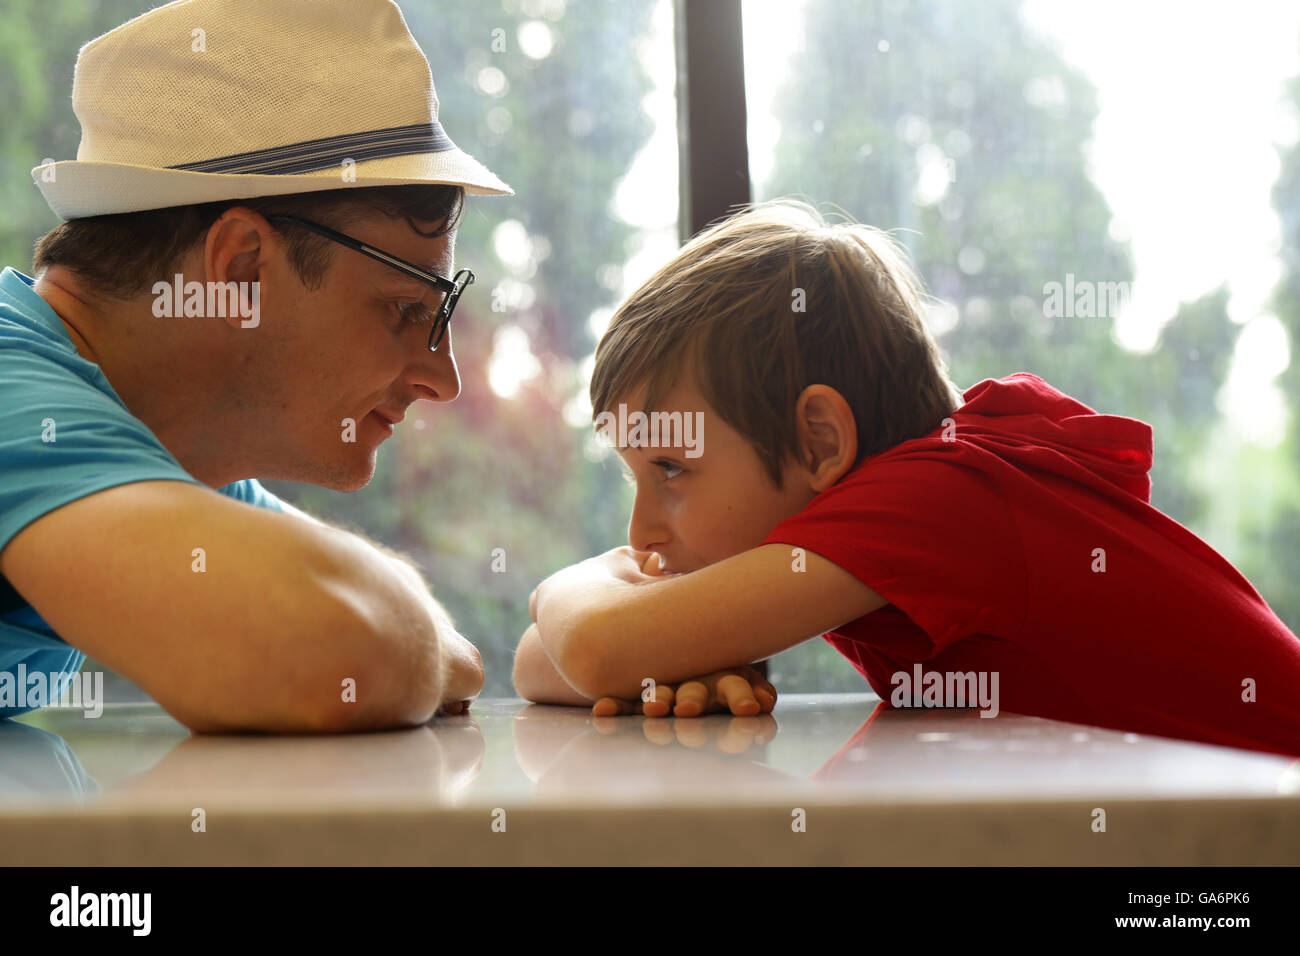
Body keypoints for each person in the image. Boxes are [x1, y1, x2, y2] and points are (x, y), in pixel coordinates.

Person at [519, 199, 1300, 758]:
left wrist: (618, 601)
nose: (641, 534)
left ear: (820, 438)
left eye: (671, 470)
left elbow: (591, 646)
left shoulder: (941, 498)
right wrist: (686, 652)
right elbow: (543, 658)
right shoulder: (925, 488)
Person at [0, 0, 512, 732]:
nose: (443, 379)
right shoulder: (13, 394)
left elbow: (414, 635)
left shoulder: (149, 443)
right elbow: (338, 648)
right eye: (404, 309)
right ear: (239, 270)